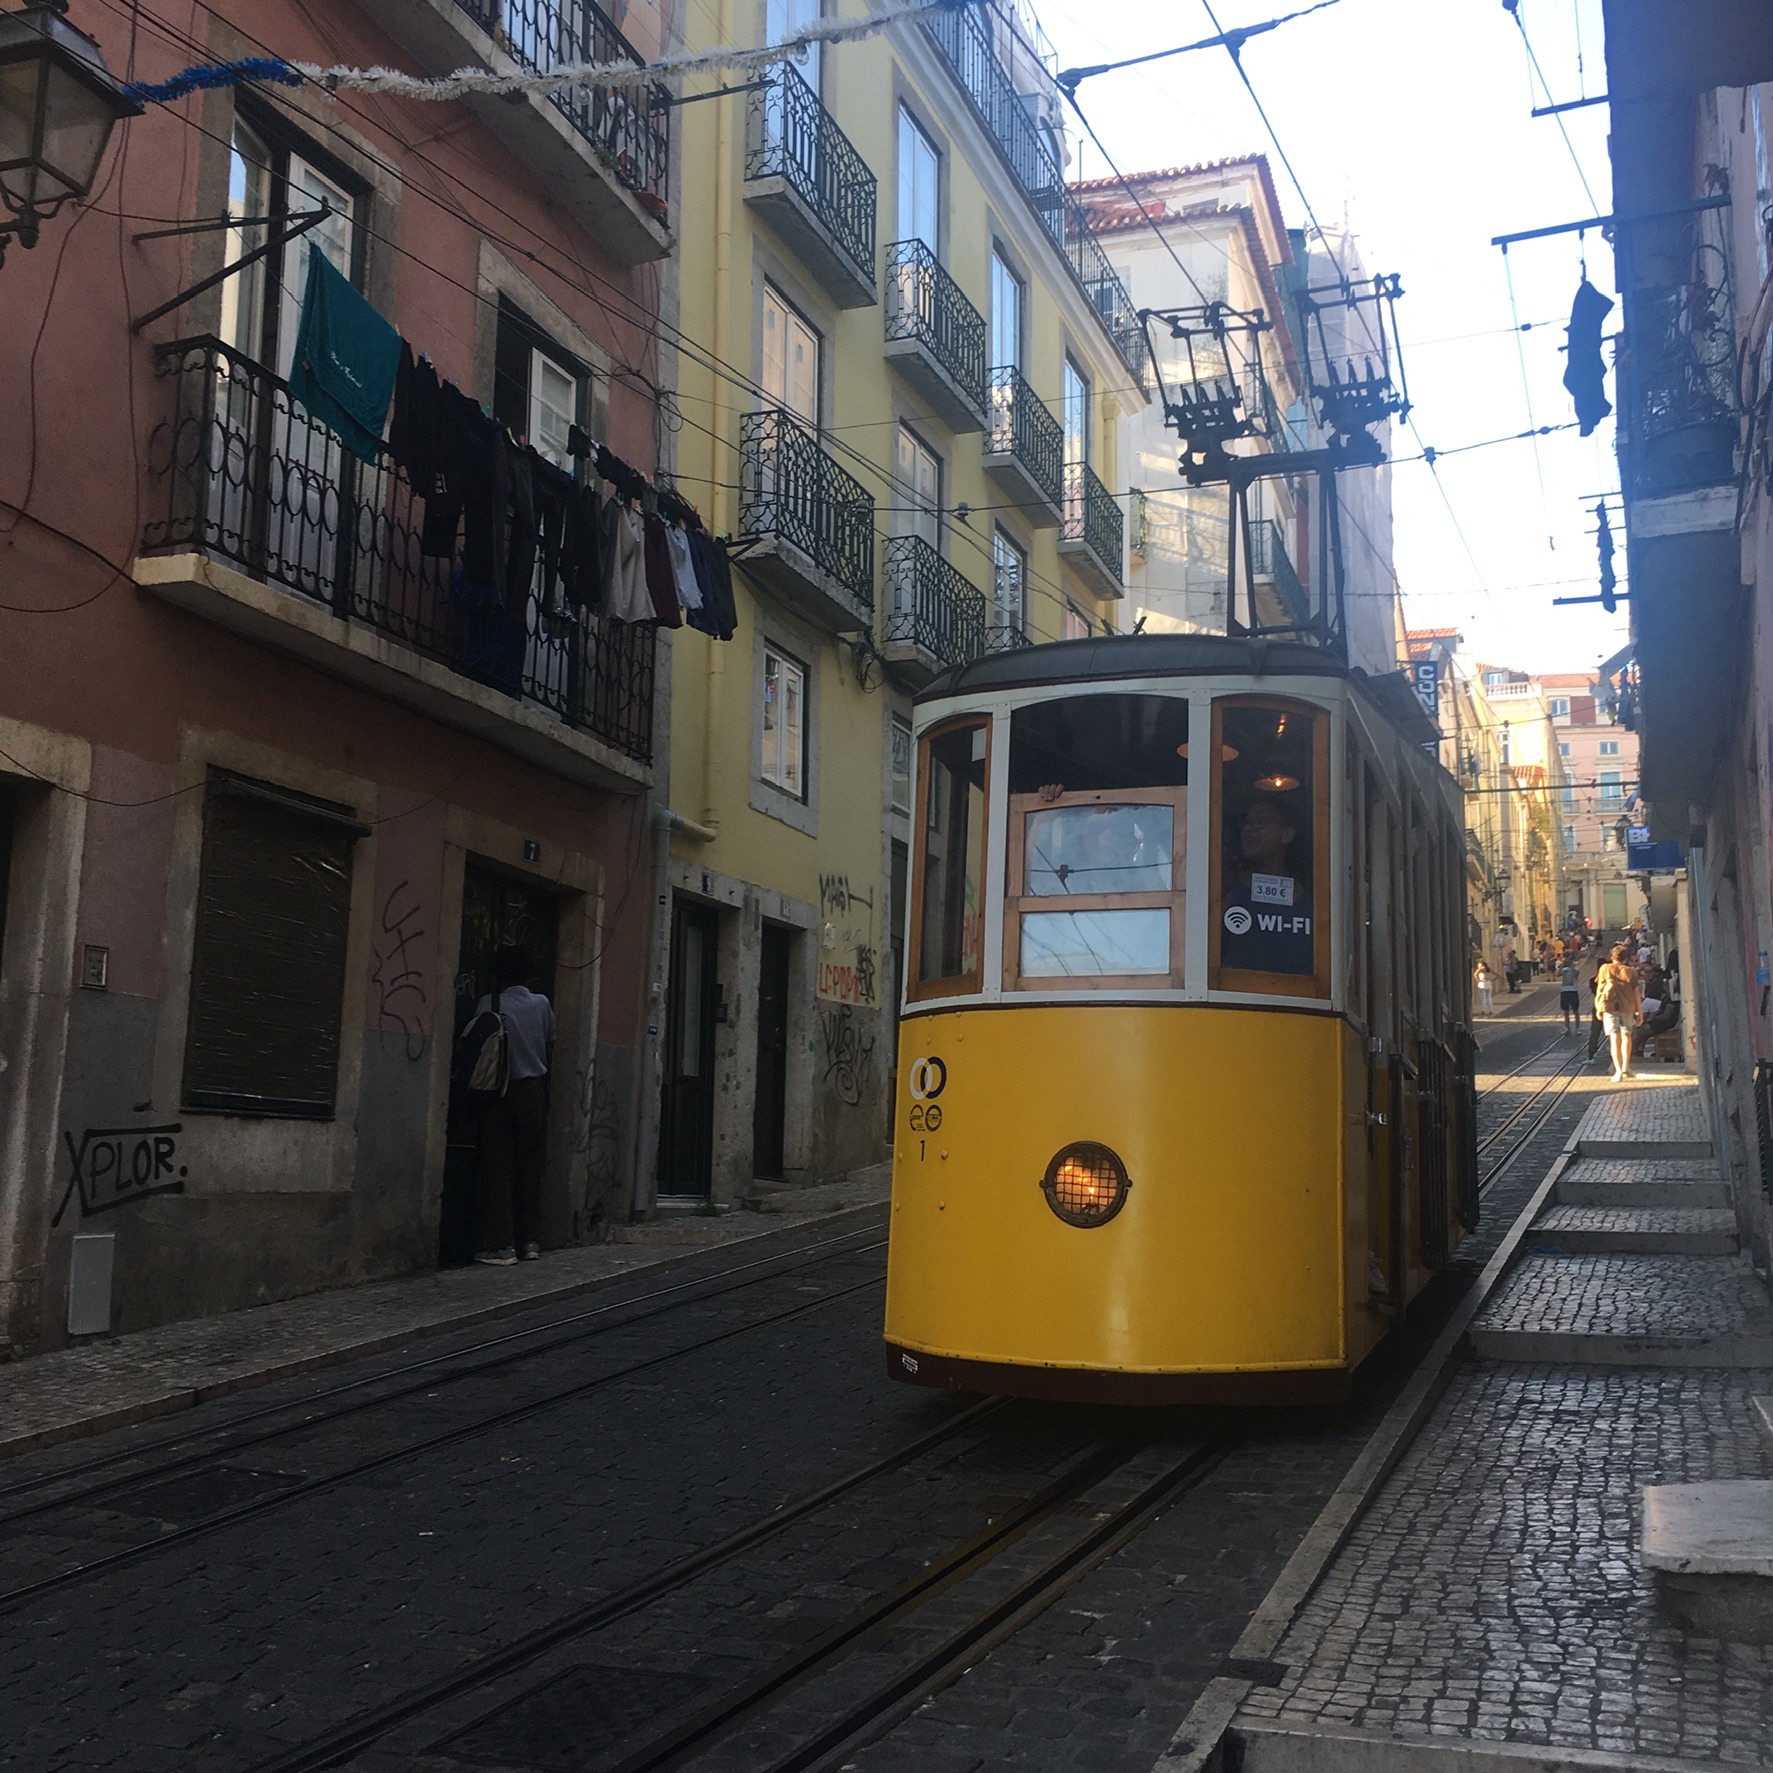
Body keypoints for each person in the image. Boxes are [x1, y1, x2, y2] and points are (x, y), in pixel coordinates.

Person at [465, 944, 556, 1265]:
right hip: (534, 1090)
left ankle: (501, 1245)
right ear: (529, 974)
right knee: (530, 1166)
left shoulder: (488, 1003)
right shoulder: (542, 1004)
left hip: (497, 1092)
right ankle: (530, 1240)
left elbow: (478, 1048)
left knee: (498, 1167)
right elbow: (549, 1044)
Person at [1220, 795, 1314, 977]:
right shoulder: (1228, 886)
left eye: (1261, 822)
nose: (1249, 829)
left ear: (1287, 835)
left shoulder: (1308, 902)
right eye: (1247, 823)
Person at [1594, 941, 1644, 1083]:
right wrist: (1640, 1013)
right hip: (1628, 1007)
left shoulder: (1604, 968)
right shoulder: (1630, 971)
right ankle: (1625, 1067)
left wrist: (1598, 1007)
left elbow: (1599, 989)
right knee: (1626, 1036)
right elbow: (1636, 993)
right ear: (1625, 958)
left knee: (1614, 1038)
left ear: (1612, 957)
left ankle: (1617, 1071)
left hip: (1610, 1007)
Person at [1558, 954, 1581, 1031]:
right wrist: (1562, 965)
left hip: (1573, 991)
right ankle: (1567, 1027)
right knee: (1565, 1010)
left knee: (1575, 1010)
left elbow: (1576, 974)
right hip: (1564, 991)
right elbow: (1558, 974)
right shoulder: (1564, 969)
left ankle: (1577, 1027)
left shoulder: (1576, 968)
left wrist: (1571, 965)